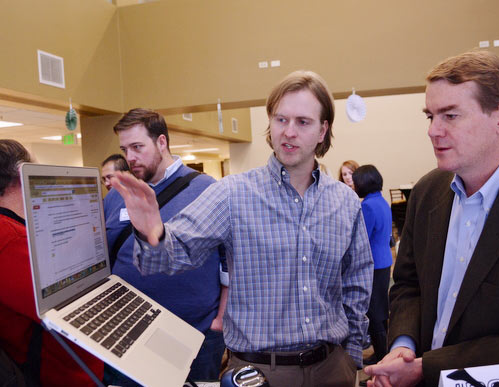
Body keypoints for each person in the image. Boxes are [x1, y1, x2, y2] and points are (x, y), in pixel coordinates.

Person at [111, 71, 374, 387]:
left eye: (302, 122)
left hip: (333, 370)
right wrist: (151, 230)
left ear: (323, 130)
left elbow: (357, 281)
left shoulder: (344, 201)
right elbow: (166, 257)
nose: (288, 132)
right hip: (260, 374)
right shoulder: (233, 193)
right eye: (280, 120)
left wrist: (351, 357)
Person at [364, 51, 499, 387]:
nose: (433, 131)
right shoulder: (426, 192)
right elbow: (408, 284)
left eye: (450, 115)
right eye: (430, 116)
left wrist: (427, 367)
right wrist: (402, 346)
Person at [103, 108, 227, 384]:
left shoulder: (208, 190)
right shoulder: (116, 196)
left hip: (193, 335)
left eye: (137, 147)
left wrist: (220, 321)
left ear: (162, 142)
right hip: (126, 335)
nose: (130, 157)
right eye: (125, 149)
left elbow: (230, 261)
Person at [0, 139, 104, 385]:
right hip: (57, 372)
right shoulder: (11, 237)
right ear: (21, 172)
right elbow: (66, 307)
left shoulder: (18, 229)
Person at [352, 165, 393, 364]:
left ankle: (382, 360)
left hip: (374, 264)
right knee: (381, 312)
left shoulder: (368, 205)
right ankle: (380, 354)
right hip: (384, 261)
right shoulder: (381, 201)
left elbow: (362, 238)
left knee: (374, 314)